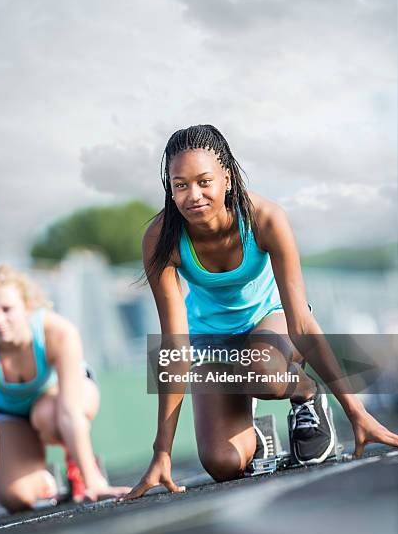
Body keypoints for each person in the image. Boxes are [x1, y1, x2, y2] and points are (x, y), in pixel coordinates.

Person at [127, 124, 398, 499]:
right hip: (212, 339)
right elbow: (176, 348)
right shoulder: (161, 238)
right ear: (169, 188)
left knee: (265, 372)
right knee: (222, 463)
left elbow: (301, 319)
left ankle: (305, 394)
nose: (194, 195)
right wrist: (162, 451)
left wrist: (355, 411)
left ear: (226, 176)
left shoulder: (265, 218)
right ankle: (255, 434)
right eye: (180, 185)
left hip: (272, 321)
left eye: (204, 181)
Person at [0, 264, 131, 522]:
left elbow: (69, 412)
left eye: (6, 309)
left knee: (48, 415)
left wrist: (93, 484)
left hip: (58, 404)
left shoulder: (58, 332)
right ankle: (46, 478)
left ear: (27, 307)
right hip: (11, 415)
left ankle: (83, 469)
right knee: (15, 498)